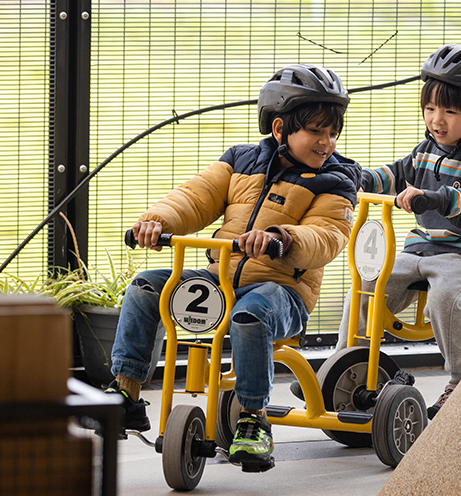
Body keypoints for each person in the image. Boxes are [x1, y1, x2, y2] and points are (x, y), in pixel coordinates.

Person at [107, 64, 360, 472]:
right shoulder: (241, 161)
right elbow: (193, 198)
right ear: (280, 129)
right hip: (220, 279)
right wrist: (155, 222)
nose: (326, 142)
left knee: (250, 313)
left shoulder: (337, 178)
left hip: (283, 293)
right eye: (316, 130)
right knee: (147, 288)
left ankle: (253, 420)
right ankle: (127, 398)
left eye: (333, 132)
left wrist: (282, 239)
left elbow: (327, 235)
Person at [337, 44, 461, 420]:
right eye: (430, 108)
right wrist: (356, 179)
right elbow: (395, 175)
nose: (437, 120)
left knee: (446, 298)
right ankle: (343, 365)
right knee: (367, 284)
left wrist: (433, 198)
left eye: (450, 111)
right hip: (425, 249)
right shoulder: (426, 148)